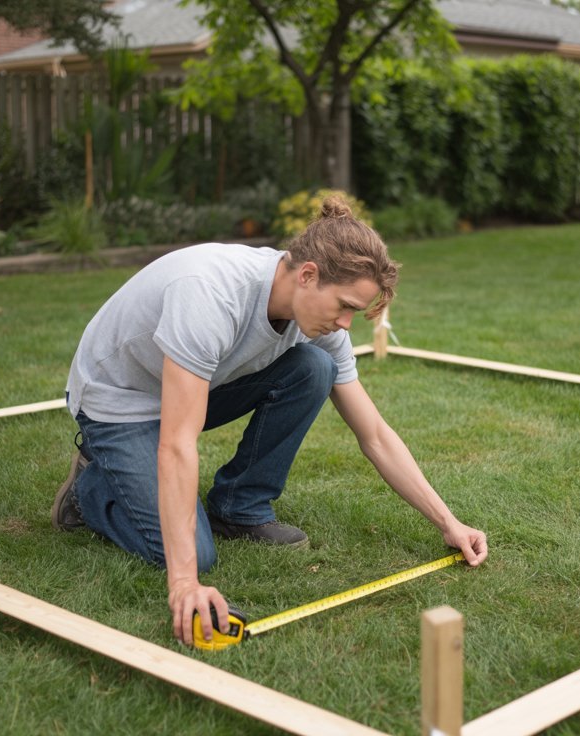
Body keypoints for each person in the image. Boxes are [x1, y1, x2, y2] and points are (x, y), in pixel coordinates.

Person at [53, 195, 488, 647]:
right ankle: (91, 491)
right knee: (192, 556)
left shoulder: (319, 323)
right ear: (307, 275)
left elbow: (374, 434)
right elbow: (177, 443)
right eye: (343, 306)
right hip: (119, 400)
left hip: (191, 386)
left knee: (313, 368)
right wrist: (184, 583)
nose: (345, 324)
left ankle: (238, 509)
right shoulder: (212, 294)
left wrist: (448, 523)